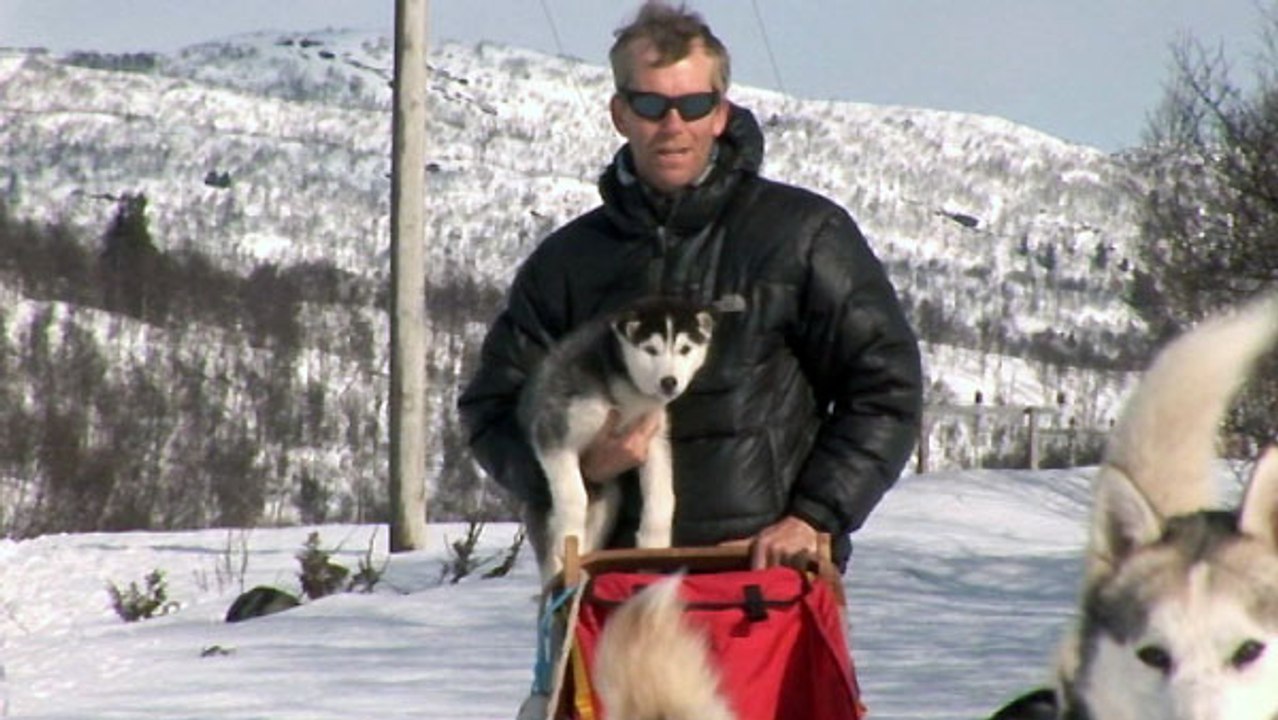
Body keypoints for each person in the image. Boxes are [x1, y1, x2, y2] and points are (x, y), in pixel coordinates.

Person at [458, 0, 922, 575]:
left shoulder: (800, 234)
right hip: (609, 587)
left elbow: (886, 387)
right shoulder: (568, 262)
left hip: (761, 585)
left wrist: (814, 516)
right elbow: (490, 411)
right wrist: (582, 467)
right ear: (620, 114)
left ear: (721, 113)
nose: (673, 124)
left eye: (693, 104)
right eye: (650, 104)